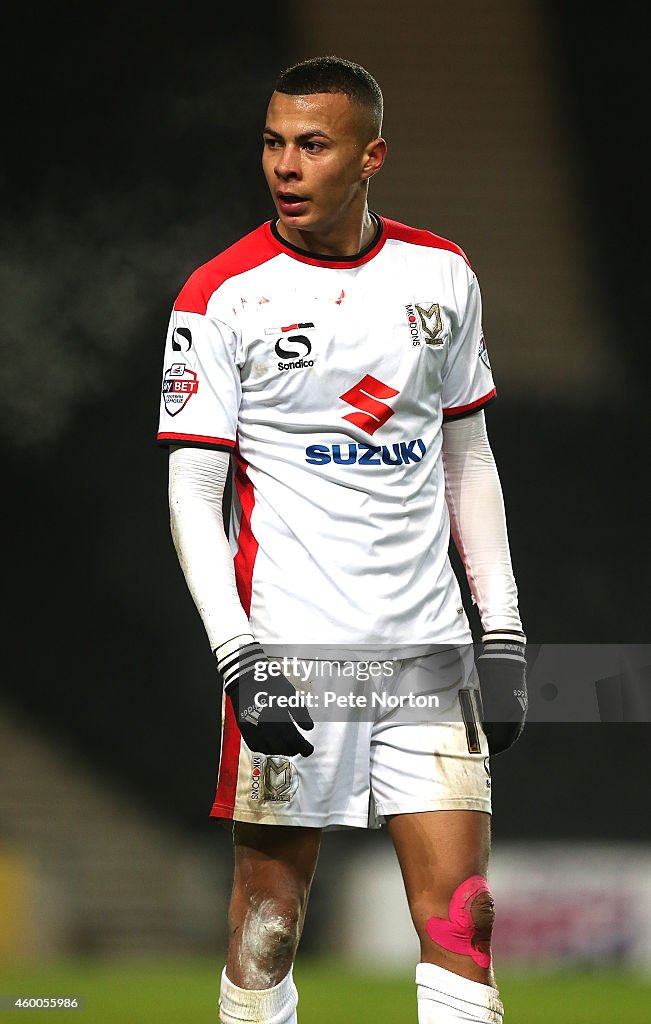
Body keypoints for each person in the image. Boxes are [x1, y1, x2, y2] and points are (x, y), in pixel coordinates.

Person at [157, 55, 526, 1024]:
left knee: (463, 916)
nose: (285, 163)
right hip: (291, 649)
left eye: (311, 144)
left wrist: (505, 634)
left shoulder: (440, 274)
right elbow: (194, 494)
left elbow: (468, 461)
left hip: (425, 650)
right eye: (274, 142)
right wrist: (240, 659)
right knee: (267, 924)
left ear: (370, 156)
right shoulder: (221, 294)